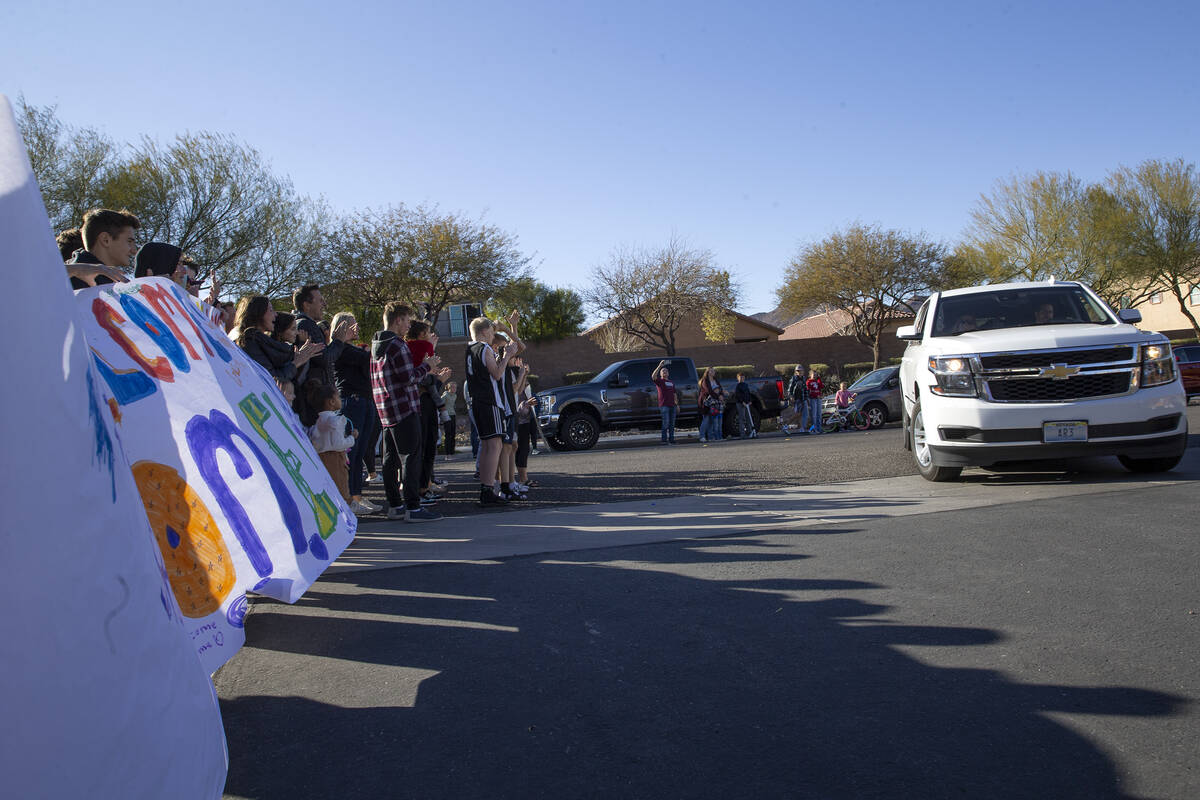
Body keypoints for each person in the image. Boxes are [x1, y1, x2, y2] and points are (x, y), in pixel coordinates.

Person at [371, 302, 442, 523]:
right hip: (404, 407)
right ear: (398, 320)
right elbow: (409, 377)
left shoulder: (376, 346)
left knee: (390, 458)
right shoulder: (397, 345)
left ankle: (395, 505)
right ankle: (413, 507)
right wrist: (427, 366)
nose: (408, 326)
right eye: (407, 321)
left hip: (385, 410)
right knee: (413, 456)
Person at [329, 312, 381, 516]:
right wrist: (368, 352)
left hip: (366, 400)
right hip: (352, 401)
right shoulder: (340, 349)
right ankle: (348, 496)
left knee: (361, 451)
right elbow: (368, 360)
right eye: (352, 324)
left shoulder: (352, 349)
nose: (356, 327)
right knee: (353, 450)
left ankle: (357, 495)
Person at [465, 315, 518, 505]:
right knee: (494, 445)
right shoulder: (484, 348)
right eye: (491, 332)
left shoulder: (469, 349)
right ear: (485, 332)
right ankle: (487, 489)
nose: (492, 337)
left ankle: (487, 488)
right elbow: (496, 373)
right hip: (490, 402)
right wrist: (507, 356)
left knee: (487, 445)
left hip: (477, 401)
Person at [405, 320, 452, 505]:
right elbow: (427, 379)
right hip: (423, 401)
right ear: (421, 334)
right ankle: (422, 488)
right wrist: (437, 377)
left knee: (423, 446)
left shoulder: (406, 348)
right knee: (426, 445)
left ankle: (422, 486)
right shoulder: (421, 347)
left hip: (417, 400)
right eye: (427, 333)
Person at [234, 296, 320, 383]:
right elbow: (271, 379)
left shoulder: (264, 343)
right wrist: (296, 362)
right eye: (271, 310)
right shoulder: (249, 342)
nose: (275, 314)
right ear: (259, 313)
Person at [306, 383, 357, 508]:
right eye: (338, 397)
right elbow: (338, 444)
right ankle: (344, 515)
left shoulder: (318, 422)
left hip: (321, 458)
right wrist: (352, 438)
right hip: (335, 459)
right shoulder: (335, 421)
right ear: (331, 402)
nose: (340, 400)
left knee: (327, 490)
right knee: (341, 488)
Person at [68, 208, 139, 269]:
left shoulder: (67, 277)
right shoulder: (69, 282)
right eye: (129, 241)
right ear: (105, 240)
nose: (134, 251)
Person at [512, 359, 538, 491]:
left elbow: (525, 389)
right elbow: (516, 393)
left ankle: (523, 478)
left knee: (524, 449)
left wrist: (525, 373)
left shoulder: (521, 376)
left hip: (525, 417)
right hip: (516, 418)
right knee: (515, 450)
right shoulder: (512, 376)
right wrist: (525, 404)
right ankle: (512, 481)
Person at [651, 360, 678, 444]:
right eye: (663, 371)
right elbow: (653, 376)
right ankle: (664, 440)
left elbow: (674, 394)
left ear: (668, 373)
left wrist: (677, 404)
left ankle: (672, 439)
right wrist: (660, 366)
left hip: (673, 405)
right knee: (665, 423)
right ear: (661, 374)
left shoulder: (671, 382)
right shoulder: (659, 381)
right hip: (664, 405)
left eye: (666, 371)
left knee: (672, 424)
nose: (665, 372)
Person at [698, 367, 724, 442]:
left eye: (713, 371)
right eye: (711, 371)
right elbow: (709, 391)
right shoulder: (705, 381)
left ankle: (710, 437)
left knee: (711, 421)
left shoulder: (716, 380)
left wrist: (721, 395)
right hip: (706, 403)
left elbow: (720, 388)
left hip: (715, 403)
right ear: (707, 372)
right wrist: (718, 397)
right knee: (706, 420)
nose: (713, 372)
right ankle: (702, 436)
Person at [782, 366, 806, 435]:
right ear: (796, 372)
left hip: (802, 398)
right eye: (798, 371)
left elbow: (805, 389)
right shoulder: (794, 378)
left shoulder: (803, 378)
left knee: (800, 414)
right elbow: (790, 389)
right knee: (797, 414)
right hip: (796, 398)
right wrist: (791, 396)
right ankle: (785, 425)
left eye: (801, 371)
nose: (800, 372)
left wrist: (806, 398)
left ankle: (801, 428)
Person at [733, 372, 757, 439]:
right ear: (738, 378)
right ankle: (742, 434)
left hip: (747, 403)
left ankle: (750, 432)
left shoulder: (746, 385)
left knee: (748, 418)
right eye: (740, 377)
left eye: (743, 377)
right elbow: (738, 395)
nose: (742, 378)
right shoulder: (738, 386)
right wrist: (742, 402)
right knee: (742, 418)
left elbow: (748, 393)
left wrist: (750, 401)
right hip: (740, 404)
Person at [441, 381, 459, 458]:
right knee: (448, 434)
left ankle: (452, 452)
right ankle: (447, 454)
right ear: (448, 388)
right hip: (446, 415)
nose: (454, 389)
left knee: (453, 434)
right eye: (452, 387)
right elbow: (440, 403)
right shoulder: (445, 395)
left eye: (455, 387)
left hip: (453, 415)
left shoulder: (455, 395)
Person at [805, 368, 825, 434]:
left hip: (818, 399)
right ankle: (814, 429)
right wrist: (815, 395)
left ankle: (819, 428)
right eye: (813, 375)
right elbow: (808, 391)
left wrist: (819, 379)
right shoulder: (808, 382)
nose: (815, 376)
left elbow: (821, 386)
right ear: (810, 375)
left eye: (816, 375)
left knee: (819, 414)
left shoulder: (817, 381)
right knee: (814, 415)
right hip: (812, 399)